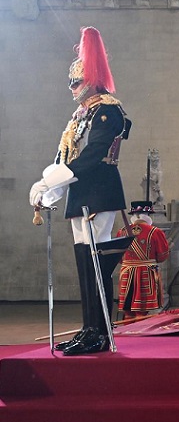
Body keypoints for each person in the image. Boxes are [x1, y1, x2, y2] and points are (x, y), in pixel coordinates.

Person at [29, 26, 132, 356]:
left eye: (77, 81)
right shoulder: (82, 115)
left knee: (96, 263)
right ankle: (90, 328)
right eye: (71, 82)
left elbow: (92, 155)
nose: (72, 88)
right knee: (84, 262)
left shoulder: (107, 110)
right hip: (81, 194)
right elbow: (67, 154)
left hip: (99, 193)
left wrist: (53, 180)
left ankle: (99, 332)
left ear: (92, 79)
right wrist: (48, 190)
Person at [116, 201, 170, 320]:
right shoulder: (156, 232)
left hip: (126, 272)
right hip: (146, 273)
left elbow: (118, 257)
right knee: (142, 310)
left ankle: (127, 333)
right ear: (148, 215)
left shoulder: (121, 232)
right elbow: (162, 256)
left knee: (128, 310)